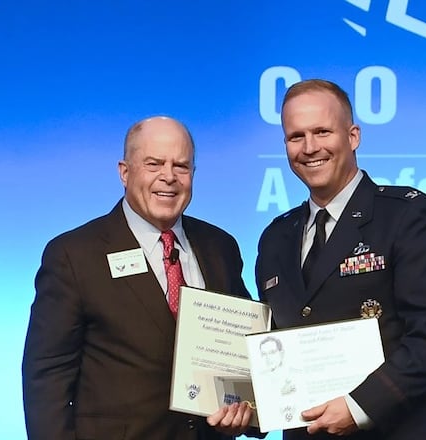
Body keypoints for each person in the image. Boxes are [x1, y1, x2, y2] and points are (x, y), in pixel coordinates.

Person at [252, 78, 426, 439]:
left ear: (353, 136)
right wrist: (249, 406)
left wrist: (359, 406)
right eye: (296, 136)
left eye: (322, 132)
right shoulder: (275, 237)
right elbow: (272, 346)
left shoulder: (405, 216)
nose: (309, 148)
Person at [22, 116, 254, 439]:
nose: (169, 177)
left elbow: (242, 353)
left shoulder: (221, 247)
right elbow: (47, 379)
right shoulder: (73, 256)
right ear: (124, 172)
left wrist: (248, 410)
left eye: (181, 166)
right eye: (154, 163)